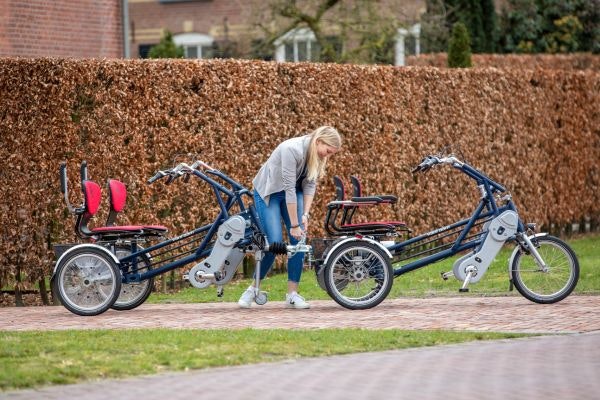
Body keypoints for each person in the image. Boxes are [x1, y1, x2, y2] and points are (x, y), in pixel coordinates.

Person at [238, 126, 342, 309]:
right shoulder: (291, 149)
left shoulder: (315, 157)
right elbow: (289, 189)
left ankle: (292, 295)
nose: (327, 156)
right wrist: (294, 224)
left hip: (293, 194)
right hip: (269, 193)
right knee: (274, 242)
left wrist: (304, 215)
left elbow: (309, 186)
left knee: (298, 241)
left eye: (331, 154)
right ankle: (252, 290)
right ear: (319, 141)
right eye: (327, 151)